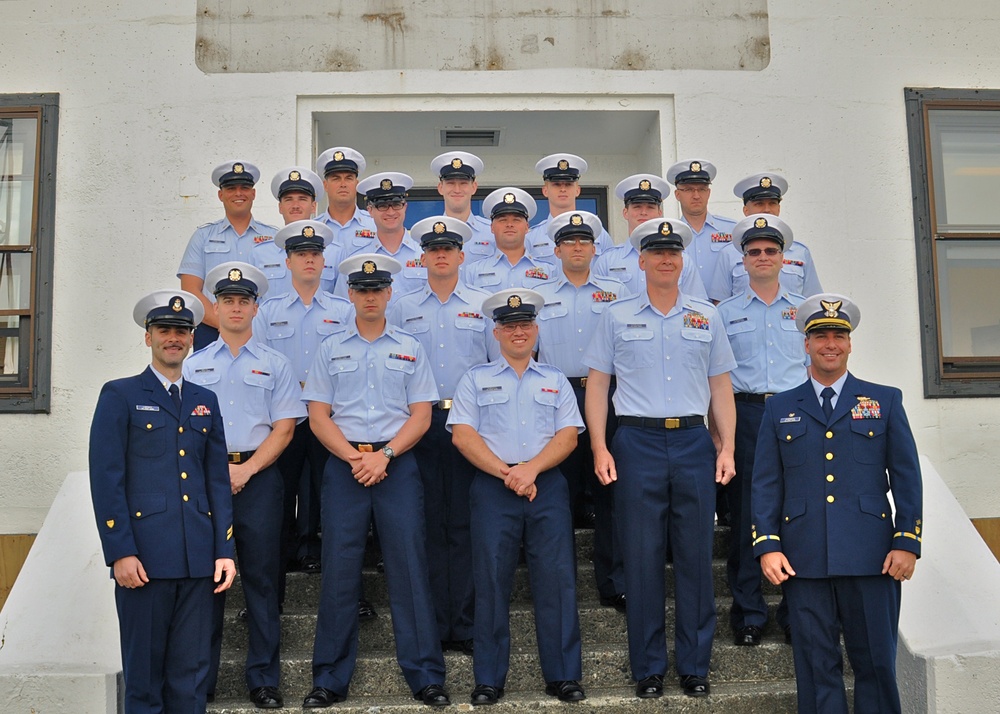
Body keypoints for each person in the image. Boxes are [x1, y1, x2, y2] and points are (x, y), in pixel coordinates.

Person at [583, 218, 738, 699]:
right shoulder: (615, 315)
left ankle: (694, 666)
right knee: (642, 557)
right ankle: (648, 668)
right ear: (643, 260)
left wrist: (727, 445)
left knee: (694, 557)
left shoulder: (705, 316)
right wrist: (599, 446)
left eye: (674, 252)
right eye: (657, 252)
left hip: (693, 442)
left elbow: (720, 387)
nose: (667, 259)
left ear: (683, 260)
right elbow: (598, 385)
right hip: (636, 442)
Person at [751, 293, 922, 714]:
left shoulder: (883, 401)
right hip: (804, 555)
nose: (830, 344)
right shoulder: (780, 408)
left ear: (850, 344)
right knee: (815, 665)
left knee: (876, 663)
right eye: (821, 336)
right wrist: (767, 545)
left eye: (838, 336)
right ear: (806, 345)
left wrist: (907, 541)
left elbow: (906, 476)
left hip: (872, 556)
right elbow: (766, 483)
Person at [301, 253, 449, 708]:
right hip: (345, 466)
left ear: (389, 294)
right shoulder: (330, 348)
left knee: (408, 567)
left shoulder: (409, 346)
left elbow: (422, 414)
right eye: (361, 290)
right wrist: (354, 457)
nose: (369, 297)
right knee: (339, 570)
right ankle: (328, 678)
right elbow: (317, 414)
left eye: (377, 290)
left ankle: (426, 675)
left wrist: (383, 456)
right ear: (350, 295)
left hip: (396, 463)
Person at [89, 289, 236, 712]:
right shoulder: (120, 395)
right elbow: (107, 479)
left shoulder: (204, 401)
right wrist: (120, 551)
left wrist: (224, 550)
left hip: (197, 562)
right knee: (144, 682)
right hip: (145, 561)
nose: (174, 338)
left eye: (182, 331)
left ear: (192, 338)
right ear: (148, 337)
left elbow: (216, 481)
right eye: (165, 330)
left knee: (191, 681)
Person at [448, 288, 587, 706]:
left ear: (537, 329)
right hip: (493, 487)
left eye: (525, 324)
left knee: (557, 580)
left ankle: (563, 675)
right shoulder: (476, 379)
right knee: (490, 580)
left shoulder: (556, 379)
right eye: (510, 326)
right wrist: (507, 472)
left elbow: (567, 436)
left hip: (545, 486)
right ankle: (489, 678)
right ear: (496, 332)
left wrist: (530, 470)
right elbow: (463, 435)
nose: (519, 331)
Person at [184, 262, 305, 710]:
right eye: (227, 301)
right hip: (204, 482)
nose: (236, 308)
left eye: (244, 301)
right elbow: (185, 431)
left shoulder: (276, 364)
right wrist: (218, 474)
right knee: (204, 581)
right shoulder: (193, 365)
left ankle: (263, 679)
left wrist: (248, 470)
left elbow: (285, 427)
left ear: (256, 308)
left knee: (262, 579)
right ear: (215, 308)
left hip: (258, 478)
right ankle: (202, 680)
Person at [387, 216, 496, 656]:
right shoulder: (401, 306)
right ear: (423, 257)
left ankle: (466, 624)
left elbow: (496, 366)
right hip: (420, 424)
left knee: (468, 526)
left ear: (462, 255)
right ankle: (434, 622)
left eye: (448, 248)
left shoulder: (485, 304)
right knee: (429, 524)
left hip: (471, 424)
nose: (441, 255)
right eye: (433, 249)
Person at [715, 214, 807, 647]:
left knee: (798, 513)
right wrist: (722, 438)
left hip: (796, 415)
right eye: (755, 252)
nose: (763, 257)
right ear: (744, 260)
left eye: (771, 251)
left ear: (784, 258)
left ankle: (794, 611)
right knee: (749, 512)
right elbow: (715, 379)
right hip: (746, 414)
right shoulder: (723, 314)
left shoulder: (805, 311)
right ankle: (749, 612)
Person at [534, 210, 627, 610]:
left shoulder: (617, 292)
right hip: (557, 394)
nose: (577, 247)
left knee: (610, 490)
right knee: (560, 493)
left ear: (595, 248)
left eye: (584, 242)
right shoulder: (537, 297)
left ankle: (613, 580)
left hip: (607, 393)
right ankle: (559, 582)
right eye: (569, 242)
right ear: (556, 250)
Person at [253, 220, 352, 591]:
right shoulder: (267, 311)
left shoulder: (343, 311)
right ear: (288, 262)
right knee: (278, 501)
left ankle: (338, 587)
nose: (309, 261)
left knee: (334, 502)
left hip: (330, 415)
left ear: (324, 261)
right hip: (284, 418)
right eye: (301, 255)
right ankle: (269, 591)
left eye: (315, 254)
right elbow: (258, 363)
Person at [707, 172, 823, 302]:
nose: (767, 209)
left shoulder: (800, 252)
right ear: (746, 210)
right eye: (759, 203)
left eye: (772, 203)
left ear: (779, 208)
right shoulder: (728, 253)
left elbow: (813, 301)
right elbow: (721, 304)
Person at [594, 173, 708, 299]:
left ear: (660, 213)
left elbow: (696, 305)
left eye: (650, 207)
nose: (643, 212)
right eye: (637, 207)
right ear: (625, 213)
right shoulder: (607, 261)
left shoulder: (683, 260)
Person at [333, 172, 426, 303]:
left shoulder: (425, 254)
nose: (391, 212)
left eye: (396, 204)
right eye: (382, 206)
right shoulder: (355, 261)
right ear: (370, 210)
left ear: (405, 207)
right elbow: (343, 309)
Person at [524, 153, 614, 262]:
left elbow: (608, 269)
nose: (563, 189)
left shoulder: (599, 234)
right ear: (545, 191)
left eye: (568, 184)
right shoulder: (531, 238)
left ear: (578, 190)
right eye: (556, 184)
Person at [464, 187, 557, 290]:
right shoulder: (473, 271)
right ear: (492, 228)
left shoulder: (549, 271)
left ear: (527, 227)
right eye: (503, 220)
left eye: (516, 220)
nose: (509, 224)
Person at [666, 159, 738, 289]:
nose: (696, 195)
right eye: (688, 190)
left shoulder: (732, 230)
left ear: (709, 193)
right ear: (677, 194)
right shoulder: (670, 233)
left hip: (724, 307)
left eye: (702, 189)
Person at [313, 146, 377, 289]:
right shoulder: (314, 229)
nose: (343, 184)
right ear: (325, 185)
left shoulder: (375, 225)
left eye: (349, 178)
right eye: (336, 179)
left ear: (357, 184)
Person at [429, 151, 495, 261]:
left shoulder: (492, 232)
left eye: (463, 183)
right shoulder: (428, 231)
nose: (457, 190)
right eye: (450, 183)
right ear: (440, 188)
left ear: (474, 187)